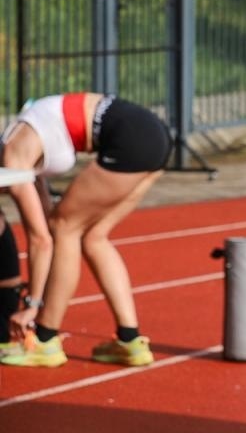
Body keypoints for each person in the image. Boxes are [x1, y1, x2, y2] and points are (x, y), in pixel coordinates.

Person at [1, 93, 172, 367]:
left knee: (64, 227)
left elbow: (42, 239)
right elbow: (44, 227)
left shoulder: (12, 155)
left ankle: (45, 341)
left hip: (131, 137)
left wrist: (32, 305)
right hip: (152, 135)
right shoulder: (25, 140)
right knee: (93, 237)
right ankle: (130, 341)